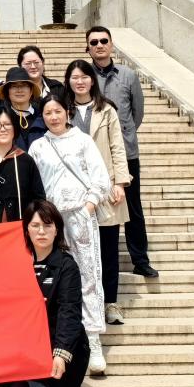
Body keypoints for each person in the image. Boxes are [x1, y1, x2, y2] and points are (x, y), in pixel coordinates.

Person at [28, 91, 111, 378]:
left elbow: (101, 178)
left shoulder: (83, 141)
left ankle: (93, 339)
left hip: (79, 215)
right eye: (48, 112)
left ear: (67, 112)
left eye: (58, 111)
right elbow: (34, 185)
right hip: (51, 220)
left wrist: (88, 207)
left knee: (88, 275)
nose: (53, 117)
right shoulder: (38, 146)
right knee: (54, 276)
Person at [0, 199, 87, 387]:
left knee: (34, 358)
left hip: (54, 346)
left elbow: (70, 311)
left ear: (57, 229)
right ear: (26, 229)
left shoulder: (66, 266)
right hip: (24, 347)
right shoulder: (18, 263)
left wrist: (62, 353)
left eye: (48, 226)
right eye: (35, 225)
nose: (41, 231)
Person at [87, 26, 158, 279]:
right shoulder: (84, 76)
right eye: (93, 42)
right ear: (88, 48)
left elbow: (137, 113)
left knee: (133, 207)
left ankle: (140, 259)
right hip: (95, 156)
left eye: (103, 40)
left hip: (125, 153)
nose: (99, 45)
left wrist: (122, 134)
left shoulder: (128, 75)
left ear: (111, 44)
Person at [64, 59, 131, 326]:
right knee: (78, 251)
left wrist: (120, 182)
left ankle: (110, 303)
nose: (80, 82)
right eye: (75, 77)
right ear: (68, 81)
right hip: (75, 193)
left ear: (92, 80)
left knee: (108, 250)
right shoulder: (63, 110)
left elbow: (117, 147)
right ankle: (82, 304)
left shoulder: (107, 110)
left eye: (84, 77)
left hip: (105, 190)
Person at [0, 66, 46, 150]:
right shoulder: (0, 117)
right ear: (7, 92)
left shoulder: (42, 115)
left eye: (24, 85)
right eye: (14, 86)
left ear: (31, 91)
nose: (19, 90)